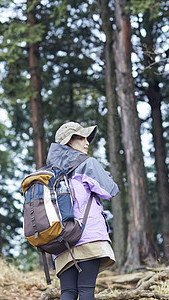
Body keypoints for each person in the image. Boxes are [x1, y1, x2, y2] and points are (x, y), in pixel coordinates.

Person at [46, 121, 119, 300]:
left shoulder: (49, 172)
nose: (87, 142)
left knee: (68, 292)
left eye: (87, 138)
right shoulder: (87, 163)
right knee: (86, 290)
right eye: (81, 138)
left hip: (61, 240)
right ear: (69, 141)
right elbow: (110, 190)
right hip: (87, 236)